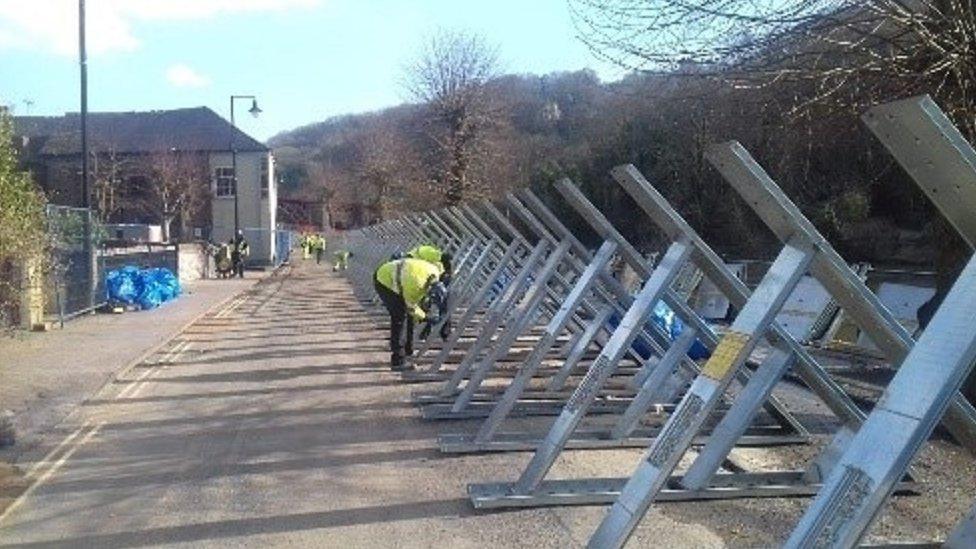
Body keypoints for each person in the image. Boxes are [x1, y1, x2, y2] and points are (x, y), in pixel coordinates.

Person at [373, 257, 447, 371]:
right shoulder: (415, 286)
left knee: (409, 315)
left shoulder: (435, 272)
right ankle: (397, 359)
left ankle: (408, 349)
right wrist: (426, 318)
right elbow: (411, 308)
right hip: (384, 280)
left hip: (398, 273)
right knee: (399, 316)